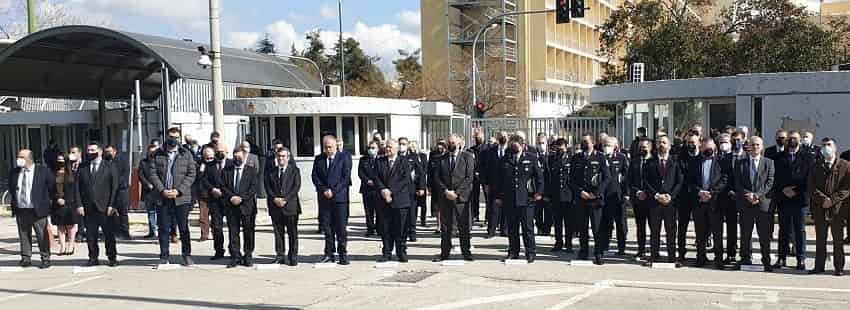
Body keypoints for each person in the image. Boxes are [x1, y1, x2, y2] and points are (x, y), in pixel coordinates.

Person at [148, 128, 197, 265]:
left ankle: (186, 255)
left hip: (181, 198)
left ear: (179, 138)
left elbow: (191, 173)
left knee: (183, 227)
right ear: (167, 137)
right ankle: (164, 256)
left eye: (176, 137)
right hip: (162, 197)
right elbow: (153, 174)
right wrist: (162, 190)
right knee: (163, 227)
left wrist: (179, 190)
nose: (173, 139)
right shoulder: (157, 154)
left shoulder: (186, 154)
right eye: (171, 137)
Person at [493, 132, 544, 263]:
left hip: (527, 199)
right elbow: (499, 180)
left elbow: (539, 178)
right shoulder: (505, 159)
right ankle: (513, 251)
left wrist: (538, 193)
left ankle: (530, 252)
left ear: (522, 145)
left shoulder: (531, 158)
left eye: (516, 145)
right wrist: (498, 196)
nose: (513, 148)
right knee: (512, 228)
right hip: (510, 199)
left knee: (528, 228)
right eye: (512, 145)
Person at [807, 137, 850, 276]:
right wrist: (822, 199)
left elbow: (846, 187)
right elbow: (811, 187)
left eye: (829, 145)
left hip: (838, 209)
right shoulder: (815, 165)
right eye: (824, 145)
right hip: (820, 208)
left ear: (835, 148)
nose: (826, 147)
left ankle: (839, 267)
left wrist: (832, 200)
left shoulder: (845, 165)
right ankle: (819, 266)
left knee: (838, 240)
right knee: (820, 239)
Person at [75, 141, 120, 267]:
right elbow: (77, 187)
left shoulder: (109, 166)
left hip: (105, 207)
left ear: (100, 151)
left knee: (109, 234)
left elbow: (115, 187)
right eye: (88, 150)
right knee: (91, 235)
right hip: (88, 207)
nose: (90, 152)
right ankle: (93, 257)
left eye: (92, 150)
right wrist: (79, 205)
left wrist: (112, 205)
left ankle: (112, 257)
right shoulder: (83, 166)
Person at [432, 134, 476, 262]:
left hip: (461, 197)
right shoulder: (441, 159)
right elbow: (437, 178)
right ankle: (444, 253)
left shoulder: (467, 157)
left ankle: (466, 252)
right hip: (445, 197)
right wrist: (446, 191)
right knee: (446, 227)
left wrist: (456, 193)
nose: (451, 145)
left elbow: (469, 178)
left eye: (453, 142)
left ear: (459, 143)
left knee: (463, 226)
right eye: (449, 142)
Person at [772, 131, 812, 271]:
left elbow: (809, 179)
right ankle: (781, 257)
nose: (791, 141)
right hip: (784, 199)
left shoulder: (807, 157)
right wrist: (783, 190)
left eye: (794, 139)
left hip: (800, 200)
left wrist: (795, 191)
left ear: (800, 140)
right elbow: (775, 178)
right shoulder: (778, 157)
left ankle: (800, 258)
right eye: (789, 139)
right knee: (783, 229)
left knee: (799, 230)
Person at [735, 136, 775, 272]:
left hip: (762, 203)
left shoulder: (769, 163)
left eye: (757, 145)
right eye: (752, 145)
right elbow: (737, 183)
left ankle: (766, 260)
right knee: (745, 234)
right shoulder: (740, 163)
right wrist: (748, 195)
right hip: (745, 203)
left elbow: (770, 182)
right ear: (748, 147)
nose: (755, 147)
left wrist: (757, 195)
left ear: (762, 147)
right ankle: (745, 258)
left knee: (764, 234)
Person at [10, 149, 55, 268]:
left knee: (42, 235)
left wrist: (48, 203)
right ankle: (26, 257)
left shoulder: (43, 171)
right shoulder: (15, 172)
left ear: (29, 158)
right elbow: (12, 188)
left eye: (21, 157)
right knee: (24, 234)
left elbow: (52, 188)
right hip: (21, 209)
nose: (18, 159)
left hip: (38, 209)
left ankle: (45, 257)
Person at [312, 135, 353, 265]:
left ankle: (343, 254)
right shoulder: (319, 159)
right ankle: (329, 253)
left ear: (336, 146)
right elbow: (315, 176)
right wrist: (324, 189)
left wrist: (333, 191)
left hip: (339, 198)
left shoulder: (344, 158)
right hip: (324, 199)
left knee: (341, 228)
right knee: (327, 228)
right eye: (325, 147)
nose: (328, 149)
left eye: (330, 147)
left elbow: (345, 178)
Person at [373, 139, 415, 263]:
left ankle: (401, 252)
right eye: (386, 147)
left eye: (390, 147)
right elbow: (376, 177)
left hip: (400, 200)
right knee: (385, 228)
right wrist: (383, 190)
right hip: (383, 200)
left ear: (396, 148)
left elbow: (405, 180)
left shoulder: (404, 162)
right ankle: (386, 252)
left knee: (401, 229)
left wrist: (390, 191)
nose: (387, 149)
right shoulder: (379, 161)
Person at [643, 135, 683, 267]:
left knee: (671, 231)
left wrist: (670, 196)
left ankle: (672, 257)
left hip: (670, 202)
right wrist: (656, 195)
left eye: (664, 143)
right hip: (655, 202)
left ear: (669, 146)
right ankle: (653, 256)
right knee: (655, 231)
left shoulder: (675, 162)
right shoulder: (650, 162)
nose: (662, 145)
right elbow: (646, 181)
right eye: (659, 142)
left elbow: (679, 181)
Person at [688, 137, 727, 268]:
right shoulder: (694, 161)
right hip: (699, 201)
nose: (707, 149)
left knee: (717, 232)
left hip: (715, 201)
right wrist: (700, 192)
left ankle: (719, 259)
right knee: (700, 232)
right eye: (705, 147)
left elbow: (724, 180)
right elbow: (690, 181)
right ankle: (701, 257)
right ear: (701, 147)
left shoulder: (721, 161)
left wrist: (711, 192)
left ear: (714, 148)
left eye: (710, 147)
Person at [571, 133, 610, 265]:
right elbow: (571, 180)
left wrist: (597, 193)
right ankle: (583, 251)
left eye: (586, 142)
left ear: (592, 142)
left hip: (595, 199)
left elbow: (606, 178)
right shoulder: (576, 158)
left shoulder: (600, 157)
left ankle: (598, 253)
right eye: (582, 142)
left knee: (597, 228)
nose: (583, 144)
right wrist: (580, 191)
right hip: (581, 198)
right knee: (582, 228)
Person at [222, 148, 258, 268]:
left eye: (240, 157)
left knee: (248, 232)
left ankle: (248, 255)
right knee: (233, 232)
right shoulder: (226, 170)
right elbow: (223, 186)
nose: (237, 159)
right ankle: (235, 256)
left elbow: (253, 188)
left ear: (245, 156)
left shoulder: (251, 171)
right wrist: (232, 197)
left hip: (247, 206)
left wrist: (241, 198)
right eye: (235, 157)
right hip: (231, 205)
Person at [265, 147, 301, 266]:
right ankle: (280, 256)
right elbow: (267, 187)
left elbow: (296, 187)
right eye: (279, 156)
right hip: (275, 206)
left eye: (283, 156)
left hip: (290, 206)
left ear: (288, 158)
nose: (281, 158)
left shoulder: (294, 170)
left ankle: (293, 256)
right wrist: (275, 198)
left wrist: (285, 199)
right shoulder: (271, 171)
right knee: (278, 233)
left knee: (292, 233)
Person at [201, 144, 231, 260]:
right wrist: (212, 189)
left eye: (222, 151)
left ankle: (234, 251)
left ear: (227, 151)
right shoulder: (209, 165)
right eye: (218, 151)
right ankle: (219, 251)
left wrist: (226, 192)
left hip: (228, 199)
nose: (220, 153)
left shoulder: (231, 164)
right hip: (214, 199)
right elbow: (204, 180)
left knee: (232, 226)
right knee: (216, 227)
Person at [601, 137, 629, 256]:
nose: (606, 147)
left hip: (617, 195)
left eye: (609, 145)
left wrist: (626, 193)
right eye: (605, 145)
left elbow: (627, 176)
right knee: (605, 223)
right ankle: (604, 246)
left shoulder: (622, 158)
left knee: (620, 223)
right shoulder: (600, 157)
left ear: (615, 146)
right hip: (604, 195)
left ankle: (621, 248)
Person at [677, 133, 701, 265]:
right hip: (684, 196)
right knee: (682, 226)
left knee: (700, 226)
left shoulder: (702, 156)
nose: (691, 145)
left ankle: (700, 254)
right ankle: (681, 252)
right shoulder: (681, 157)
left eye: (693, 142)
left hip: (698, 196)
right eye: (689, 143)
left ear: (699, 142)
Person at [547, 138, 574, 253]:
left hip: (568, 195)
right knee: (557, 222)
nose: (560, 149)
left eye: (562, 147)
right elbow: (549, 178)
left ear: (566, 147)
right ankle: (558, 243)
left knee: (569, 222)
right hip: (556, 195)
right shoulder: (552, 159)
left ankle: (569, 244)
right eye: (558, 147)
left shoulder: (572, 159)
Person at [629, 138, 654, 259]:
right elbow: (630, 180)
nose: (641, 149)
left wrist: (648, 192)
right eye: (640, 147)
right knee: (640, 226)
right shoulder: (634, 162)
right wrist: (637, 191)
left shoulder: (655, 161)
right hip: (638, 199)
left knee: (654, 226)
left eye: (644, 147)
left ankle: (655, 250)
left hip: (652, 199)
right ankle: (641, 249)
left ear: (649, 147)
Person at [398, 137, 426, 242]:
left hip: (411, 189)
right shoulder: (395, 156)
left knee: (412, 213)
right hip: (399, 190)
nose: (402, 146)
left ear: (408, 145)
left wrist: (422, 187)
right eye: (400, 143)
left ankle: (412, 233)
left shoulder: (413, 157)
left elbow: (421, 173)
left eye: (404, 144)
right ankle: (401, 233)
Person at [52, 153, 80, 256]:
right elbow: (51, 188)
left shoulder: (72, 173)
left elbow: (75, 189)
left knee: (70, 225)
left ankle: (71, 245)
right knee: (60, 225)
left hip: (70, 203)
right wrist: (57, 198)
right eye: (58, 160)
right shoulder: (53, 173)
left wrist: (67, 200)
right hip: (57, 203)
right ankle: (62, 246)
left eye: (62, 160)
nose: (60, 162)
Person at [483, 131, 510, 238]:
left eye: (504, 136)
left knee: (506, 208)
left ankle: (505, 230)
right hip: (494, 183)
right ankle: (491, 230)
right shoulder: (491, 151)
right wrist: (486, 183)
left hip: (507, 184)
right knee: (493, 208)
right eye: (500, 136)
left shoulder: (510, 151)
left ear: (507, 137)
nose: (502, 138)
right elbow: (487, 168)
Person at [104, 145, 131, 240]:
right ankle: (114, 232)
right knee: (110, 212)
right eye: (106, 151)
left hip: (121, 190)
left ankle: (125, 233)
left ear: (114, 151)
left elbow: (124, 175)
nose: (107, 153)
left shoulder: (122, 160)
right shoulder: (105, 161)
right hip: (109, 191)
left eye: (109, 151)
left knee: (122, 212)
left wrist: (115, 184)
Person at [359, 141, 381, 236]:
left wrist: (376, 182)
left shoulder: (381, 159)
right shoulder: (363, 159)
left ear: (378, 149)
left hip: (378, 188)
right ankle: (370, 229)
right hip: (366, 188)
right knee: (368, 211)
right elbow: (360, 173)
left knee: (379, 210)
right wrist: (367, 180)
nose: (371, 150)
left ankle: (380, 229)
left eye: (373, 148)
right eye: (369, 148)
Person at [138, 144, 159, 239]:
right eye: (150, 151)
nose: (152, 153)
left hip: (159, 190)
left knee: (160, 212)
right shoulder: (143, 162)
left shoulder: (160, 161)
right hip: (148, 191)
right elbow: (140, 175)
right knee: (150, 212)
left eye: (154, 151)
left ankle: (158, 230)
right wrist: (147, 184)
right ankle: (152, 231)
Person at [533, 133, 552, 236]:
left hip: (548, 188)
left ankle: (547, 229)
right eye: (539, 143)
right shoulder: (533, 156)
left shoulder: (551, 156)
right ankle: (539, 227)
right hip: (537, 189)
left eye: (543, 143)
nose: (541, 145)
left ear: (547, 144)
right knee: (538, 211)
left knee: (549, 211)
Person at [427, 140, 448, 234]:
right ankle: (438, 226)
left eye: (442, 144)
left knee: (447, 206)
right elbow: (429, 171)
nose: (440, 146)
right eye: (439, 144)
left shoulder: (448, 154)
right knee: (437, 207)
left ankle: (447, 225)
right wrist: (428, 185)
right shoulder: (433, 155)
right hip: (435, 185)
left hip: (446, 185)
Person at [469, 131, 489, 224]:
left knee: (487, 197)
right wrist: (475, 172)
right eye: (477, 137)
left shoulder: (488, 149)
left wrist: (481, 172)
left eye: (480, 137)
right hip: (474, 176)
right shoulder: (471, 150)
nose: (478, 138)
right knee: (474, 197)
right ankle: (475, 215)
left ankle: (487, 217)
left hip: (485, 176)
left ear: (483, 137)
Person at [197, 146, 216, 241]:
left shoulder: (217, 164)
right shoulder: (200, 164)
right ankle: (204, 234)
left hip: (214, 193)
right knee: (203, 216)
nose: (208, 159)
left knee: (215, 215)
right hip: (203, 193)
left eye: (210, 156)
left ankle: (215, 233)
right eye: (206, 157)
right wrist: (201, 168)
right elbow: (198, 177)